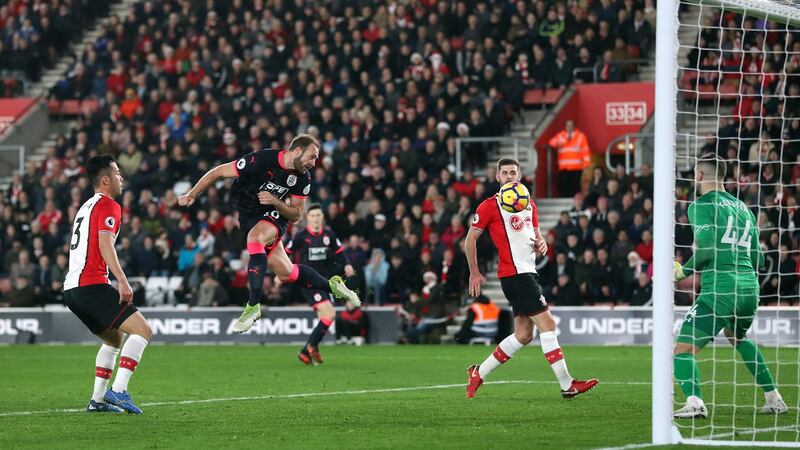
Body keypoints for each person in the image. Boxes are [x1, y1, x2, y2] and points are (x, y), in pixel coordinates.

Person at [177, 134, 360, 333]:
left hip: (275, 215)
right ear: (297, 151)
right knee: (287, 273)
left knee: (255, 239)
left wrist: (275, 201)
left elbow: (297, 214)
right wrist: (191, 194)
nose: (314, 163)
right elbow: (218, 172)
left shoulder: (302, 178)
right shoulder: (261, 160)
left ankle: (253, 307)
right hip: (248, 216)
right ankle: (334, 286)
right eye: (312, 156)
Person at [464, 157, 598, 398]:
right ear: (497, 177)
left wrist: (541, 243)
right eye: (504, 173)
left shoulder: (528, 203)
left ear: (520, 175)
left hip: (528, 273)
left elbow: (536, 236)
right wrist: (474, 271)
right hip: (515, 275)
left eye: (512, 173)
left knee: (524, 335)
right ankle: (567, 384)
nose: (508, 177)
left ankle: (478, 373)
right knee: (548, 324)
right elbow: (470, 239)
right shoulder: (489, 206)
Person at [672, 154, 787, 418]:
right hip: (749, 288)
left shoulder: (700, 205)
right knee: (736, 337)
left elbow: (709, 247)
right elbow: (758, 257)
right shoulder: (744, 208)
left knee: (682, 351)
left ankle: (695, 402)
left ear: (700, 176)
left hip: (720, 290)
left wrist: (682, 271)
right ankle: (774, 397)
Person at [63, 155, 153, 414]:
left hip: (72, 289)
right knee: (143, 331)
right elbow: (105, 244)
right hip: (91, 284)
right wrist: (122, 281)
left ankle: (97, 400)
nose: (121, 178)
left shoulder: (85, 207)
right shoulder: (109, 205)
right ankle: (120, 390)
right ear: (105, 179)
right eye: (117, 173)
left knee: (115, 339)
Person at [285, 203, 355, 365]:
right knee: (330, 313)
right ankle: (312, 347)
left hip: (324, 281)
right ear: (308, 218)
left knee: (325, 317)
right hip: (307, 281)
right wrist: (281, 272)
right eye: (313, 215)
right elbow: (286, 253)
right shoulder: (300, 236)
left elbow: (339, 252)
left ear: (322, 217)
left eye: (318, 215)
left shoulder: (329, 235)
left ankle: (306, 351)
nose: (316, 218)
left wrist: (347, 264)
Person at [548, 120, 591, 197]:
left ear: (574, 126)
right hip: (564, 168)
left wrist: (586, 165)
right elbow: (551, 143)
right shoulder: (561, 136)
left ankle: (575, 200)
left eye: (571, 125)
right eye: (568, 125)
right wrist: (560, 142)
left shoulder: (580, 136)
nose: (569, 127)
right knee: (563, 186)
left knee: (575, 186)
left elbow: (585, 151)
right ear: (565, 126)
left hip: (576, 167)